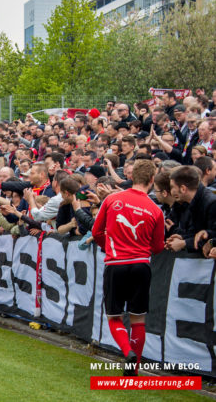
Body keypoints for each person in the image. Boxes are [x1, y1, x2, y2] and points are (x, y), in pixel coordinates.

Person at [92, 159, 165, 376]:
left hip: (116, 264)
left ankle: (127, 351)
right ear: (152, 180)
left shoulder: (112, 199)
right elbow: (158, 247)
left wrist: (111, 248)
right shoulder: (156, 210)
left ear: (131, 176)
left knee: (114, 317)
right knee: (138, 319)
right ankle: (134, 366)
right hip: (142, 265)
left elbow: (97, 232)